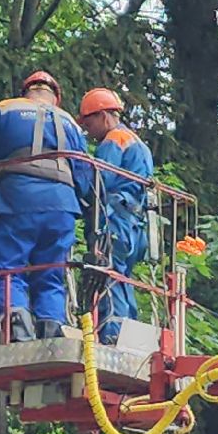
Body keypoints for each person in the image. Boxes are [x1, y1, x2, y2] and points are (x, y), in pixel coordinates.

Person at [0, 70, 94, 341]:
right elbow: (85, 176)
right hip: (62, 206)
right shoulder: (70, 124)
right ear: (55, 98)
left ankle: (17, 330)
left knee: (9, 267)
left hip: (19, 199)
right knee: (51, 271)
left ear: (26, 91)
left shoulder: (6, 109)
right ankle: (51, 329)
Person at [78, 87, 154, 345]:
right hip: (133, 224)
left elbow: (100, 181)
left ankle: (112, 336)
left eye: (89, 123)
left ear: (104, 116)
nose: (88, 131)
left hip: (116, 220)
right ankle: (128, 336)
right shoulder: (137, 143)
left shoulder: (114, 140)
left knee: (107, 276)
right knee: (122, 279)